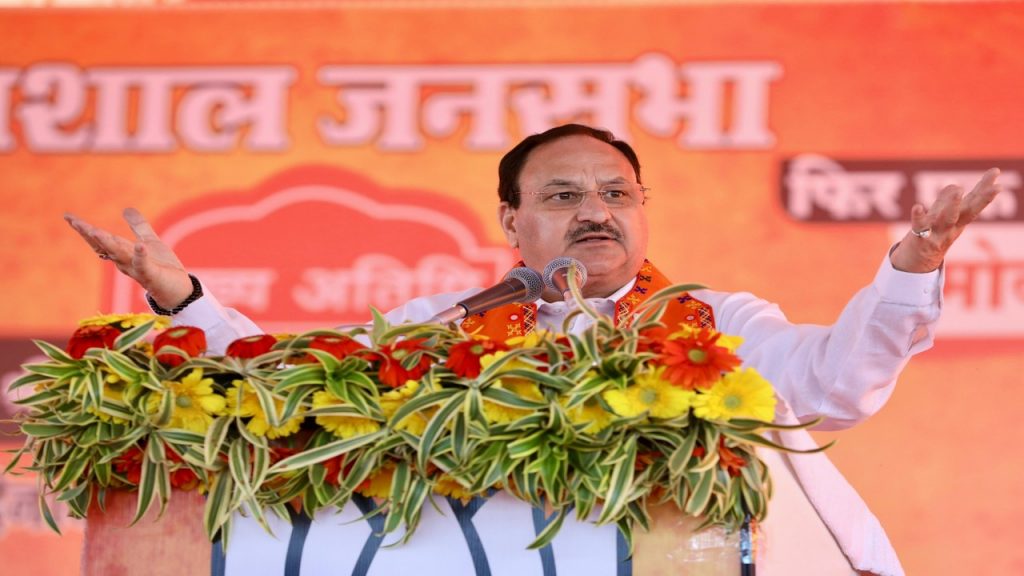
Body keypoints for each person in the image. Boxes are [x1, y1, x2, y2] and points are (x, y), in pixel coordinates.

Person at [65, 124, 1001, 576]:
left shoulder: (714, 319)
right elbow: (292, 383)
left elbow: (838, 382)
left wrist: (913, 263)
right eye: (562, 197)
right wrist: (182, 299)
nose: (596, 211)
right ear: (512, 222)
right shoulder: (450, 323)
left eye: (617, 194)